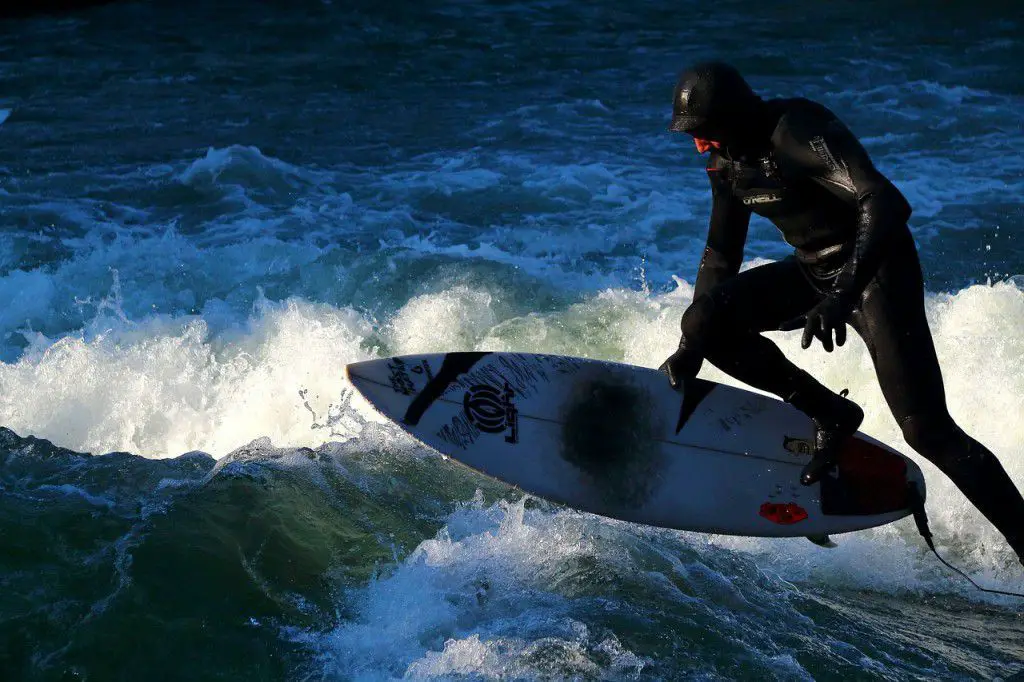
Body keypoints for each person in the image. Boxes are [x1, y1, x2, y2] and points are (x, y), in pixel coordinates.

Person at [659, 61, 1024, 564]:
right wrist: (690, 350)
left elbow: (886, 202)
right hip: (813, 272)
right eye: (693, 136)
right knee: (703, 322)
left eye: (704, 133)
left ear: (733, 115)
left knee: (927, 430)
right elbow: (721, 254)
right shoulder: (728, 161)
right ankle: (831, 414)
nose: (699, 145)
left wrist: (843, 294)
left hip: (876, 272)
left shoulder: (796, 133)